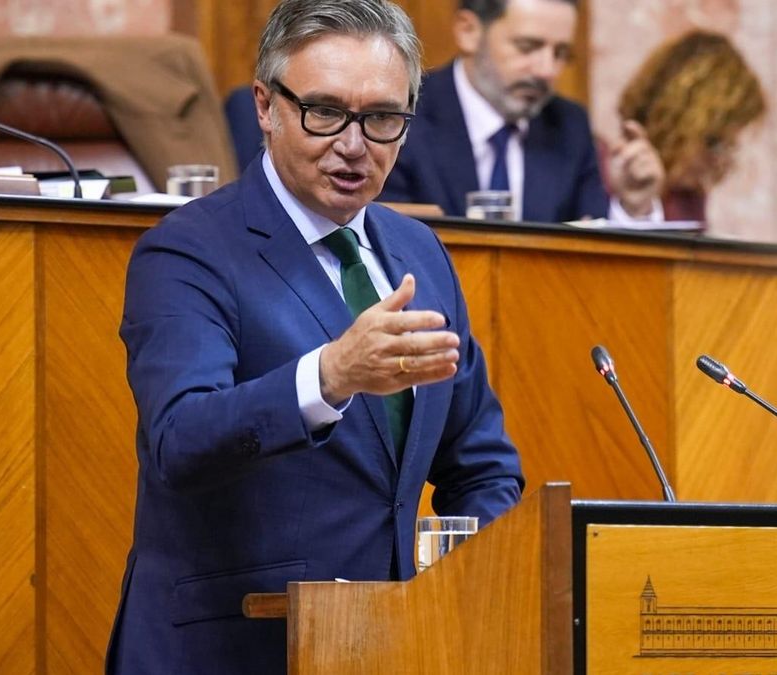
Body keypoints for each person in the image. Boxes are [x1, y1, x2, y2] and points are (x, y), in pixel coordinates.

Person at [105, 1, 524, 672]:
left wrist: (460, 582)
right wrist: (328, 376)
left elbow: (483, 466)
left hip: (389, 646)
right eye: (324, 112)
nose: (354, 144)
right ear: (266, 106)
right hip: (230, 648)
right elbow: (178, 441)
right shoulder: (188, 251)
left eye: (382, 118)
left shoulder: (420, 256)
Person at [379, 0, 665, 223]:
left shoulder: (569, 127)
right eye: (528, 47)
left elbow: (594, 250)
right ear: (469, 32)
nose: (546, 70)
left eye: (560, 53)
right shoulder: (403, 113)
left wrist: (633, 206)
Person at [616, 30, 765, 222]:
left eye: (729, 146)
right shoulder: (599, 180)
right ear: (674, 121)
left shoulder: (688, 198)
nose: (719, 161)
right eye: (713, 143)